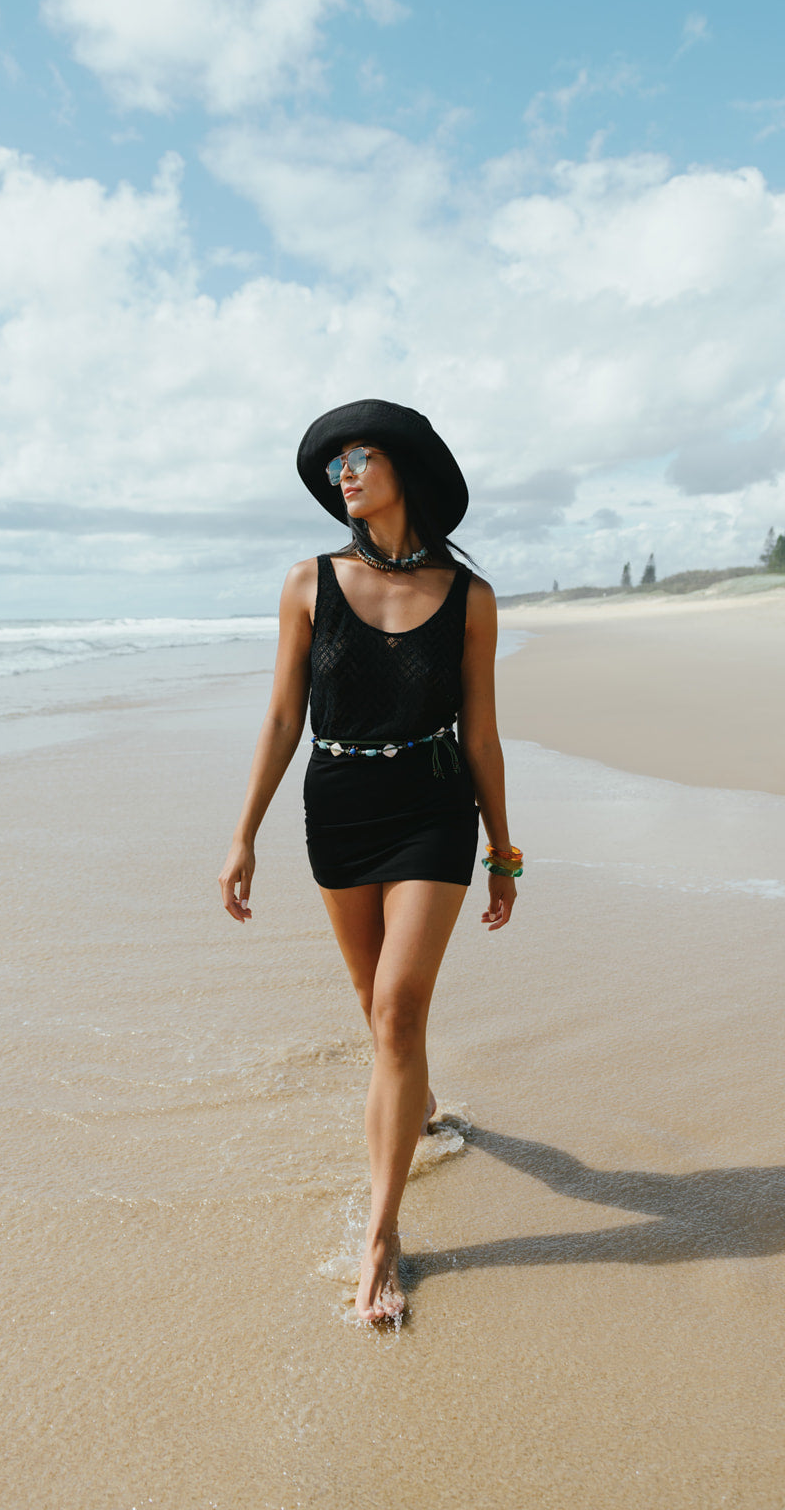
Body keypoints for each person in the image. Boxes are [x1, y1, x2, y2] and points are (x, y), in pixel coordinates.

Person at [218, 399, 520, 1323]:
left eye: (358, 456)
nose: (342, 474)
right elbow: (280, 718)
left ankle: (382, 1237)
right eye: (334, 464)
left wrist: (502, 852)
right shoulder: (308, 584)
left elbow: (483, 732)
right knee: (375, 1009)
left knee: (396, 1009)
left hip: (433, 808)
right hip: (338, 807)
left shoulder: (470, 598)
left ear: (405, 469)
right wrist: (244, 833)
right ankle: (420, 1106)